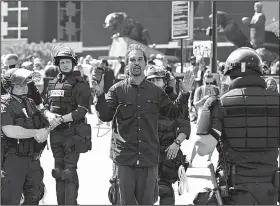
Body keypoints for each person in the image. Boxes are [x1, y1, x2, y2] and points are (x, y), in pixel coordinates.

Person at [93, 44, 194, 205]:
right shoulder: (116, 90)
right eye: (132, 59)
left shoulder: (156, 91)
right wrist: (99, 95)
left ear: (145, 63)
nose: (136, 63)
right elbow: (105, 116)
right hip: (124, 159)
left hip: (149, 158)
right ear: (127, 64)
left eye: (140, 59)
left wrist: (185, 93)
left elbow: (173, 113)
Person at [193, 47, 279, 205]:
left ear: (232, 74)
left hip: (236, 189)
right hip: (270, 189)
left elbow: (205, 148)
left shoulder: (219, 103)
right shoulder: (277, 101)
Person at [42, 44, 92, 205]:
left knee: (69, 171)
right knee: (58, 171)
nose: (65, 64)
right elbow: (44, 106)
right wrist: (49, 115)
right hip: (56, 132)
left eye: (68, 62)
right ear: (58, 64)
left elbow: (82, 110)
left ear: (73, 63)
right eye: (62, 62)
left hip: (73, 132)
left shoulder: (80, 83)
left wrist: (61, 119)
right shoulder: (52, 83)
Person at [1, 68, 50, 205]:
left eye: (24, 85)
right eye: (18, 85)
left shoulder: (30, 102)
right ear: (9, 86)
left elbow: (43, 123)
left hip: (33, 159)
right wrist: (35, 133)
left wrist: (46, 131)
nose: (23, 88)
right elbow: (10, 131)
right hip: (13, 160)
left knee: (34, 197)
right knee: (10, 199)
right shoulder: (4, 104)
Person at [146, 66, 191, 204]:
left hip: (168, 153)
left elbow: (184, 126)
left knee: (165, 190)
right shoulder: (141, 100)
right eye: (151, 80)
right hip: (146, 153)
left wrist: (176, 143)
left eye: (157, 80)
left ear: (165, 82)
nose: (154, 83)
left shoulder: (175, 101)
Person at [96, 59, 115, 127]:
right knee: (109, 106)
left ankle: (100, 121)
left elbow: (97, 81)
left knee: (100, 106)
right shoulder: (111, 71)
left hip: (102, 91)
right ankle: (108, 123)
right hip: (110, 91)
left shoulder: (101, 71)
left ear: (104, 64)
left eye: (101, 63)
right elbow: (113, 81)